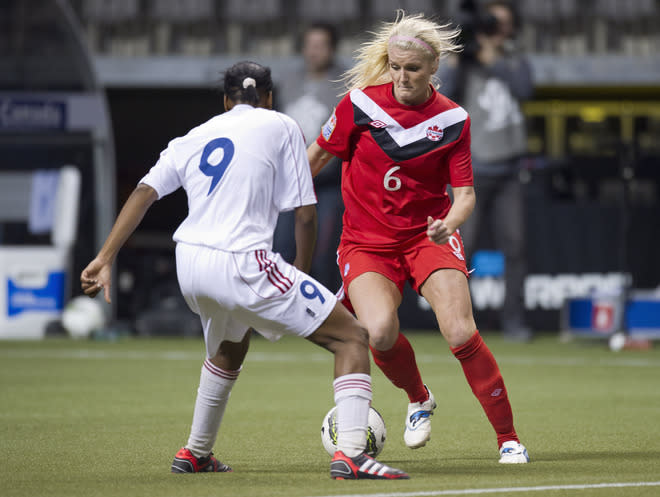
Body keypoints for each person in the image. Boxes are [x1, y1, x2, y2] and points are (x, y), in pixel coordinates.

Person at [79, 61, 409, 480]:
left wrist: (105, 257)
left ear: (225, 100)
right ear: (269, 97)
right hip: (241, 261)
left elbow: (145, 193)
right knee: (353, 337)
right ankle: (352, 454)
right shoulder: (281, 125)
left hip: (191, 263)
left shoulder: (193, 136)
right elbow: (305, 213)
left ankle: (196, 452)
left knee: (229, 348)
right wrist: (301, 274)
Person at [307, 11, 529, 463]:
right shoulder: (358, 105)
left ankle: (508, 439)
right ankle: (418, 396)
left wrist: (450, 221)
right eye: (395, 67)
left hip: (428, 235)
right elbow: (312, 162)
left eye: (412, 69)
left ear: (433, 70)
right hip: (366, 242)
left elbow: (465, 195)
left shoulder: (453, 120)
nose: (402, 77)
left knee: (460, 330)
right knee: (379, 332)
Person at [437, 0, 534, 342]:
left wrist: (492, 59)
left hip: (510, 167)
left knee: (516, 246)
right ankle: (460, 322)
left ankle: (514, 322)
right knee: (462, 246)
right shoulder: (465, 60)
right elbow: (444, 95)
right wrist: (456, 58)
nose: (497, 29)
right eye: (491, 23)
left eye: (502, 23)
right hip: (473, 168)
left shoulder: (514, 58)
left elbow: (525, 90)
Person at [273, 21, 346, 291]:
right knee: (281, 247)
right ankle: (280, 314)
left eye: (321, 45)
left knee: (324, 252)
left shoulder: (344, 82)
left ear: (332, 48)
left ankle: (328, 315)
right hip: (289, 183)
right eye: (310, 45)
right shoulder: (287, 81)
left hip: (327, 184)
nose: (314, 52)